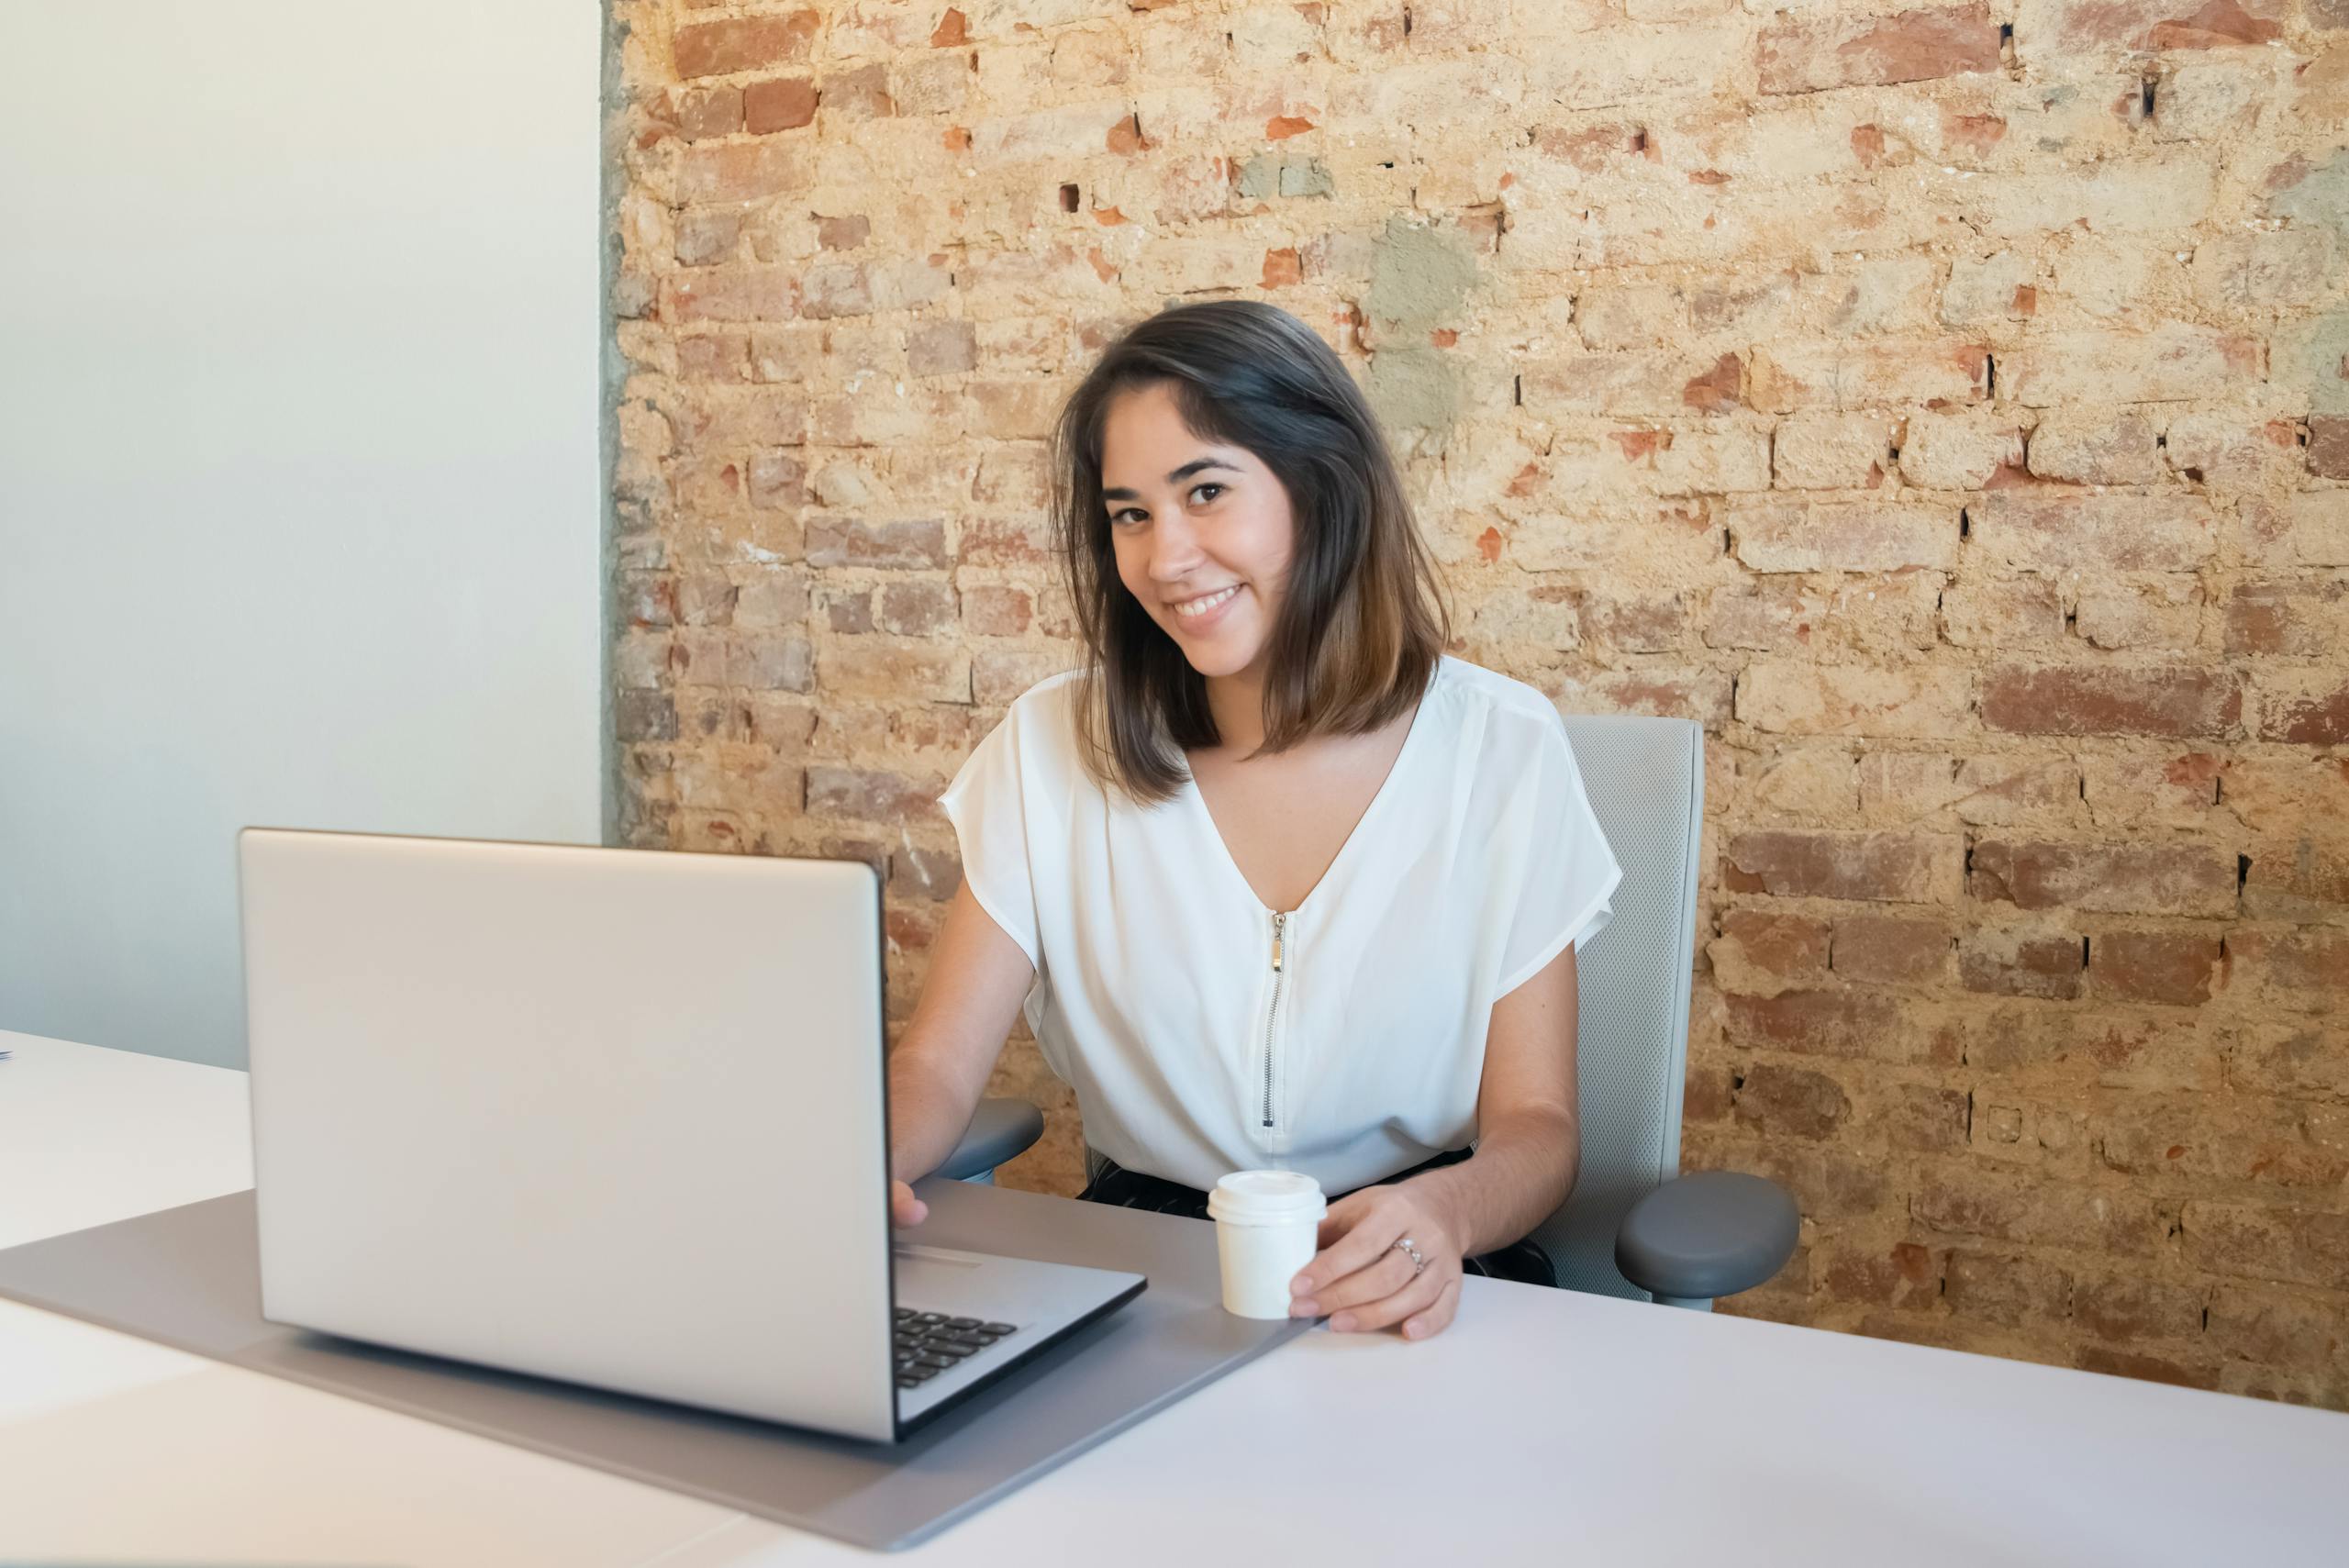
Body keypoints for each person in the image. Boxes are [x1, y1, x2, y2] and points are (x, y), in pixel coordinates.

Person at [885, 299, 1620, 1342]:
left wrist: (1445, 1211)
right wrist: (857, 1164)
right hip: (1153, 1268)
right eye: (1130, 512)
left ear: (1320, 487)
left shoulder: (1501, 747)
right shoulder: (1052, 745)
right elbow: (935, 1068)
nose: (1166, 557)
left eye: (1207, 491)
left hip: (1414, 1251)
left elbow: (1537, 1128)